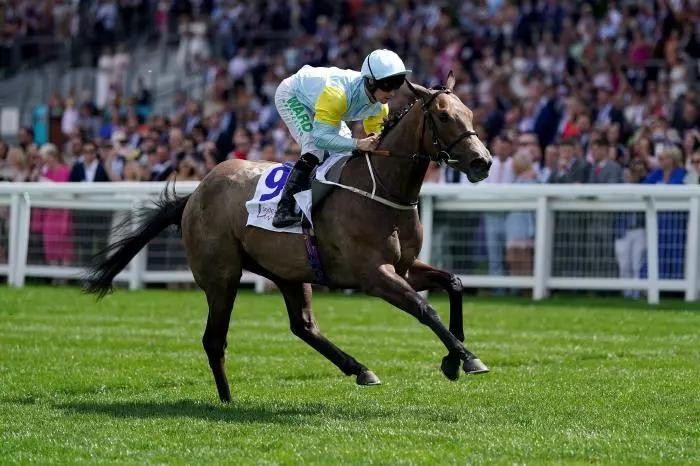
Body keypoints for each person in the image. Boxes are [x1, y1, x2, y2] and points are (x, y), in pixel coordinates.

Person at [271, 49, 411, 227]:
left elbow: (374, 139)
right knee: (315, 148)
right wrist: (358, 143)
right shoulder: (337, 95)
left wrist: (370, 142)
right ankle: (284, 209)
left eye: (396, 85)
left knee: (345, 152)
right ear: (370, 82)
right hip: (294, 96)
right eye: (386, 85)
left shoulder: (380, 107)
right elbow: (322, 138)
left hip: (325, 104)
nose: (391, 93)